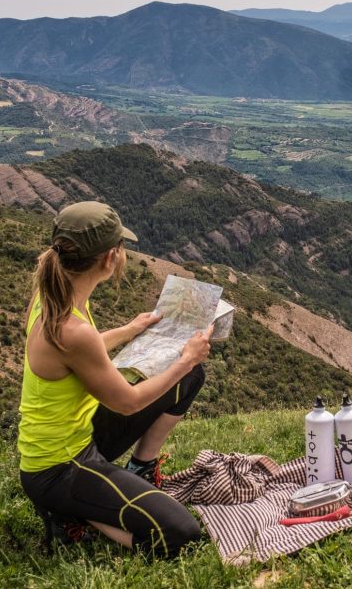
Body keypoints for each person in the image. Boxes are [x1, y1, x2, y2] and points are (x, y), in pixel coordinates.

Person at [18, 201, 213, 558]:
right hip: (59, 468)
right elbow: (128, 402)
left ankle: (141, 468)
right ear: (110, 258)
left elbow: (75, 356)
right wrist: (185, 359)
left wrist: (128, 330)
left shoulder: (53, 298)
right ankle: (73, 516)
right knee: (180, 535)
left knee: (189, 377)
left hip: (79, 437)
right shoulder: (72, 329)